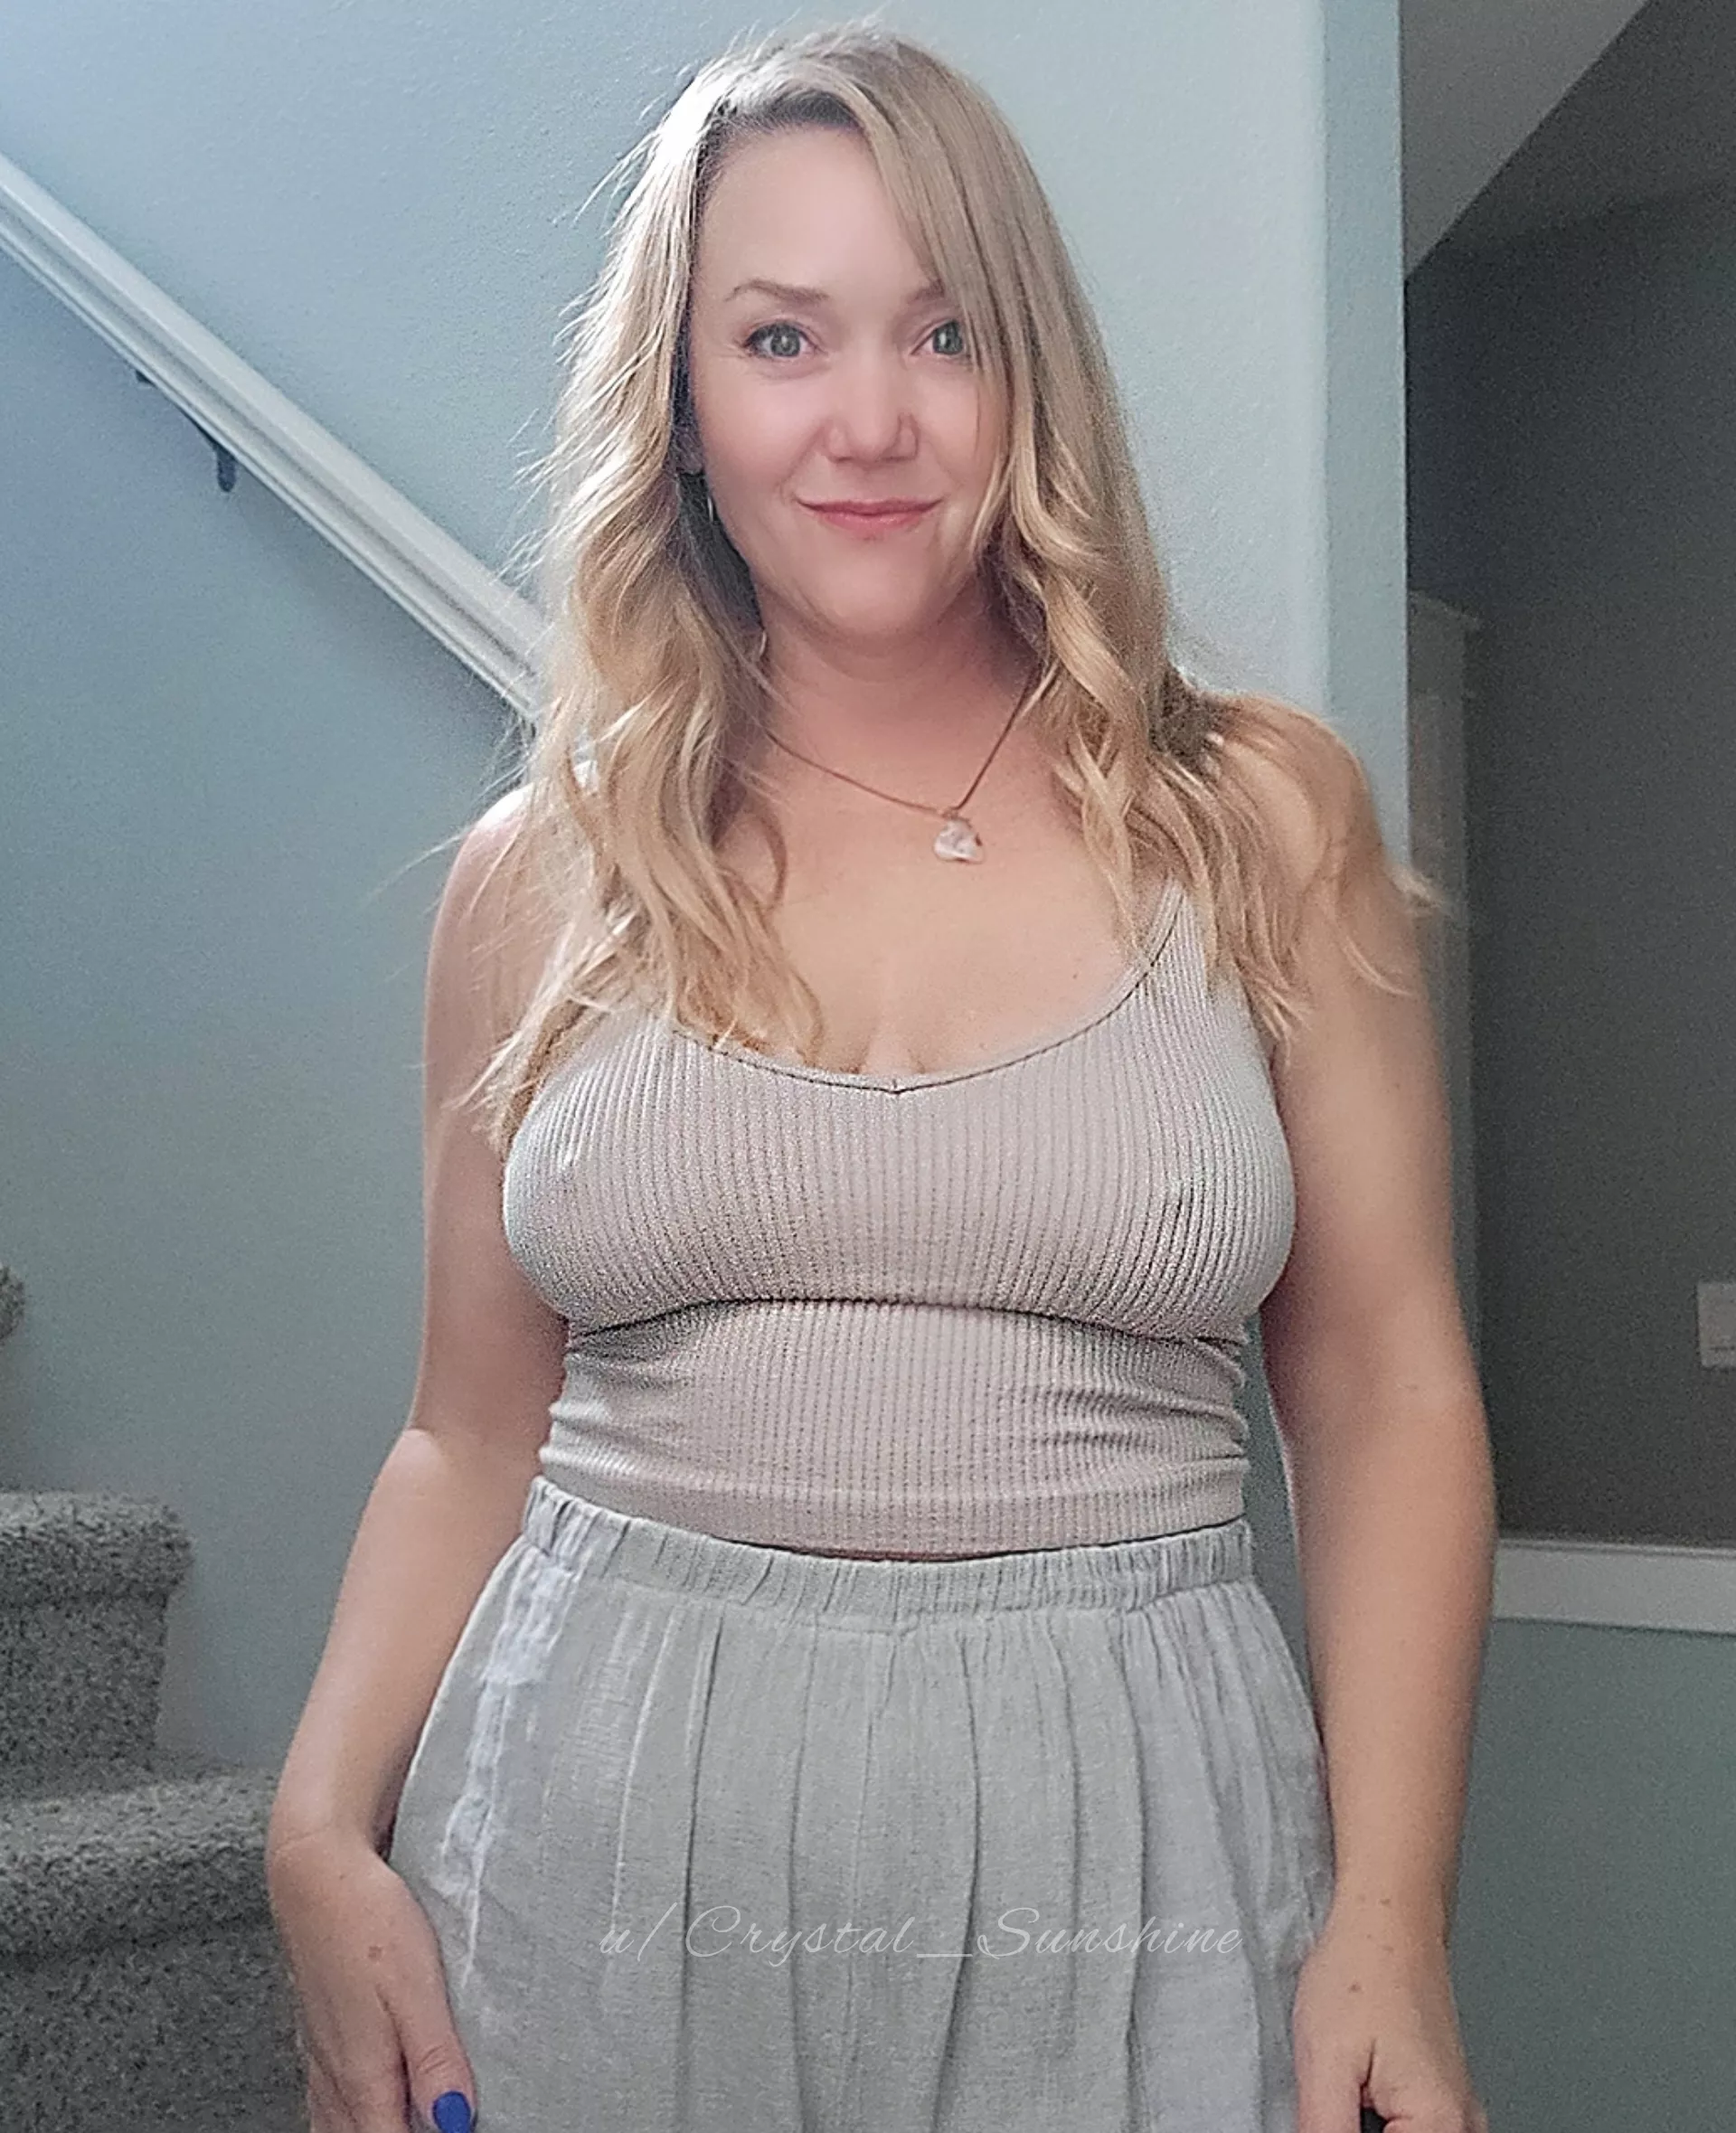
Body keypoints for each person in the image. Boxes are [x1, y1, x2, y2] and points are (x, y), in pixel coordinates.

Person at [265, 21, 1495, 2133]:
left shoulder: (1257, 816)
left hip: (1143, 1861)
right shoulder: (539, 877)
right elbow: (465, 1430)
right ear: (682, 402)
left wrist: (1393, 1913)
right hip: (589, 1850)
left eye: (944, 332)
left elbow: (1385, 1392)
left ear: (1032, 376)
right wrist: (312, 1829)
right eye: (781, 338)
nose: (870, 421)